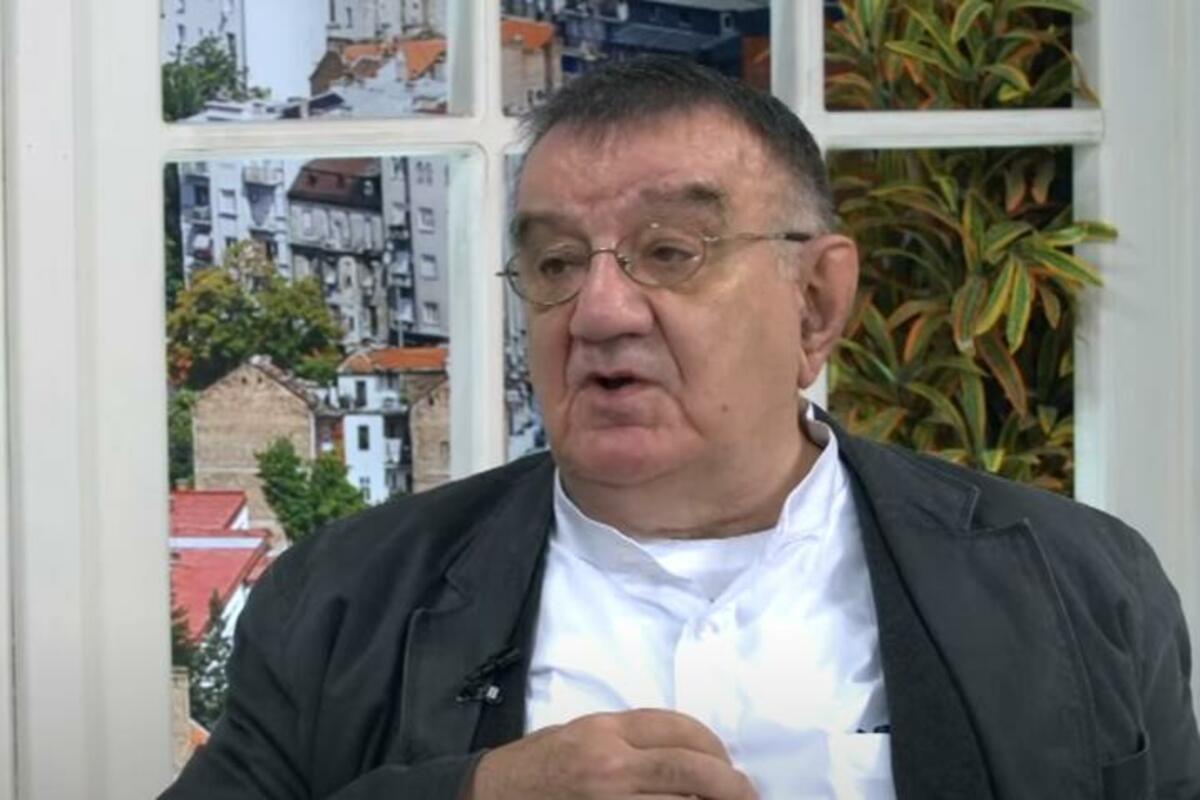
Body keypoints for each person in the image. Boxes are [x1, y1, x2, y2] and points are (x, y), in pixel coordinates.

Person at [161, 56, 1200, 800]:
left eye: (671, 252)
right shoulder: (344, 598)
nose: (601, 310)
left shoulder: (1078, 587)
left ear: (816, 303)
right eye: (557, 263)